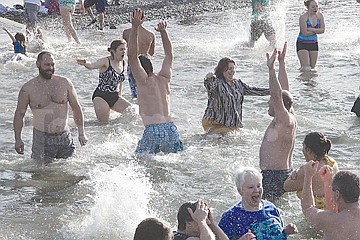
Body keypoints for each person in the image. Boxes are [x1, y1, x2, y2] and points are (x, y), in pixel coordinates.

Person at [13, 51, 88, 163]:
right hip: (41, 139)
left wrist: (81, 133)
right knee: (40, 175)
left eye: (52, 64)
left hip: (64, 136)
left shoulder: (65, 83)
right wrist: (18, 139)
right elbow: (19, 115)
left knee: (71, 174)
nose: (50, 68)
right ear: (38, 64)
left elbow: (76, 108)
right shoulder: (28, 89)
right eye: (47, 65)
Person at [127, 9, 183, 156]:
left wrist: (134, 28)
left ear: (138, 70)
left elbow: (132, 56)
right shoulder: (164, 78)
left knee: (136, 162)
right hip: (171, 129)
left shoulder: (143, 81)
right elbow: (169, 55)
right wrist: (163, 32)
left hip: (153, 130)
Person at [259, 42, 297, 202]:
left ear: (278, 104)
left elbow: (277, 94)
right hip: (278, 173)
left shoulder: (284, 120)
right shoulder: (289, 115)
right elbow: (284, 91)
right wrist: (282, 64)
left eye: (270, 101)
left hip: (274, 176)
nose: (268, 103)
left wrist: (271, 69)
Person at [218, 167, 298, 239]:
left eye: (259, 186)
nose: (256, 190)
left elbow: (276, 235)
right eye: (251, 187)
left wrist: (286, 232)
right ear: (240, 191)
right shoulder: (231, 216)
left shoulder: (271, 208)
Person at [202, 58, 269, 135]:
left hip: (231, 124)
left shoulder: (238, 84)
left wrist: (272, 91)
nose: (232, 71)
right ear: (222, 70)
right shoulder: (216, 82)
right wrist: (208, 78)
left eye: (233, 68)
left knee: (241, 136)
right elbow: (209, 86)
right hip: (215, 123)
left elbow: (254, 90)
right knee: (233, 137)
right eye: (229, 68)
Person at [301, 161, 360, 240]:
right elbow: (335, 210)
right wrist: (327, 182)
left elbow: (307, 209)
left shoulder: (331, 220)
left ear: (337, 194)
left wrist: (308, 176)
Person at [77, 40, 132, 122]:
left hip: (114, 96)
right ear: (113, 51)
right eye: (121, 49)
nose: (124, 51)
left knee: (132, 112)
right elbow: (92, 65)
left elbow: (120, 83)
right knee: (104, 125)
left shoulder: (124, 63)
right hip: (101, 97)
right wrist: (85, 63)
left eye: (124, 49)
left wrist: (120, 96)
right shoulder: (106, 61)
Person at [284, 132, 339, 209]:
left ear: (308, 150)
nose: (302, 150)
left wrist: (296, 172)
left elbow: (286, 186)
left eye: (303, 146)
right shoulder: (332, 163)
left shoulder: (309, 170)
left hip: (318, 216)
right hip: (334, 209)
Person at [122, 9, 155, 98]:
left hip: (133, 64)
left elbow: (123, 50)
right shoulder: (151, 35)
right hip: (146, 65)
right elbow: (151, 53)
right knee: (148, 91)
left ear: (131, 18)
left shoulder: (126, 33)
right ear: (143, 19)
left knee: (135, 94)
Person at [296, 0, 325, 72]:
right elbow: (304, 33)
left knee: (312, 68)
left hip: (313, 43)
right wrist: (316, 30)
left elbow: (323, 30)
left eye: (316, 6)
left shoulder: (320, 16)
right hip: (302, 43)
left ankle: (310, 82)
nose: (315, 8)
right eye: (313, 7)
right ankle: (303, 82)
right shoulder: (303, 17)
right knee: (306, 68)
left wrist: (311, 29)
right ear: (308, 8)